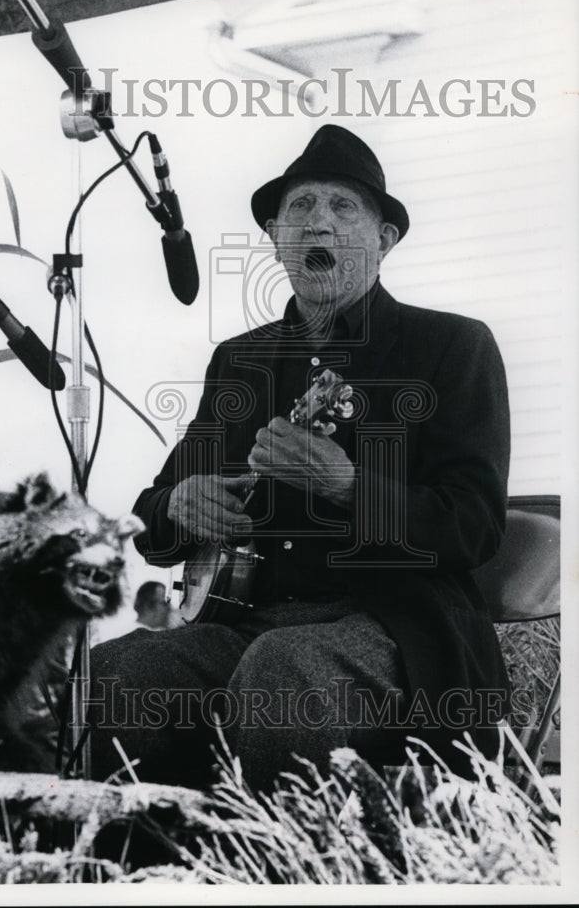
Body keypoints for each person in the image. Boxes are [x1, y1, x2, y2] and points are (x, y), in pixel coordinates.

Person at [89, 124, 511, 792]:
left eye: (343, 208)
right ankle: (148, 872)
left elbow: (474, 527)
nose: (319, 223)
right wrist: (178, 503)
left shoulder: (451, 346)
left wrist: (348, 486)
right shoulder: (240, 360)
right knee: (118, 673)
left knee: (284, 670)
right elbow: (153, 514)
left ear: (383, 239)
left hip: (392, 626)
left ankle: (281, 873)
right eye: (300, 208)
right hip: (247, 620)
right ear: (275, 238)